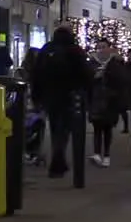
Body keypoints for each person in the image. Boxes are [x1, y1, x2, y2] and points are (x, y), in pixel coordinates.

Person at [32, 26, 93, 178]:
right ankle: (58, 160)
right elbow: (86, 75)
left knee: (55, 127)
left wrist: (36, 97)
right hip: (70, 96)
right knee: (65, 129)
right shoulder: (75, 51)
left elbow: (36, 74)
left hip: (50, 96)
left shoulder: (46, 50)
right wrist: (87, 94)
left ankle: (58, 158)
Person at [88, 38, 129, 167]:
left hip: (110, 100)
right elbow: (86, 78)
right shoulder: (92, 62)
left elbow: (122, 79)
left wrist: (107, 74)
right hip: (96, 99)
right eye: (99, 47)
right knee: (97, 128)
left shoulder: (115, 62)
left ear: (109, 48)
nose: (101, 49)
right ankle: (96, 153)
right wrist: (94, 77)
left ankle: (106, 154)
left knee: (107, 129)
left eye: (103, 46)